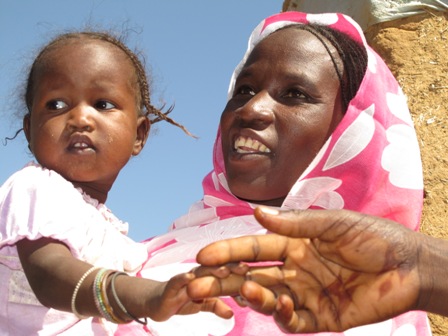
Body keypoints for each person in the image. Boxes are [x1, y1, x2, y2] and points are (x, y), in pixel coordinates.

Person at [128, 11, 430, 336]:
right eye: (243, 89)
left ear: (349, 131)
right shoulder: (139, 252)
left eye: (295, 94)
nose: (251, 108)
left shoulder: (370, 287)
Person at [0, 31, 232, 335]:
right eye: (56, 104)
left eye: (103, 103)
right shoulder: (34, 188)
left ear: (139, 136)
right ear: (30, 131)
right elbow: (51, 275)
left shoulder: (112, 231)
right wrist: (146, 296)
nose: (80, 118)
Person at [191, 206, 448, 334]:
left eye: (296, 97)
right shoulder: (179, 237)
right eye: (241, 97)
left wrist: (421, 266)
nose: (252, 109)